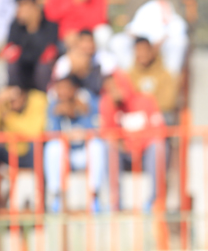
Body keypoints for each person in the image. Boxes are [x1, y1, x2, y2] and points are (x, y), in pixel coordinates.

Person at [100, 69, 165, 209]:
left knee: (158, 147)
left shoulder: (146, 100)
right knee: (107, 147)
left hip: (145, 152)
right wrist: (113, 107)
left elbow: (158, 130)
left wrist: (137, 145)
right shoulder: (107, 104)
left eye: (116, 86)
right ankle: (115, 202)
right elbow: (107, 133)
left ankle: (155, 201)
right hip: (123, 153)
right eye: (109, 88)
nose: (113, 90)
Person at [44, 74, 106, 212]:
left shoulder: (88, 102)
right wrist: (60, 120)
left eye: (65, 88)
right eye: (59, 88)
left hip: (84, 153)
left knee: (97, 146)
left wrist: (80, 114)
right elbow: (50, 133)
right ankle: (57, 197)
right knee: (52, 148)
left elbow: (98, 129)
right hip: (66, 155)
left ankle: (94, 197)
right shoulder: (53, 106)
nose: (62, 92)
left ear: (75, 89)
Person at [2, 0, 59, 93]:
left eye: (23, 6)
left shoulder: (50, 25)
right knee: (12, 64)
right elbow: (11, 50)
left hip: (41, 71)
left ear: (34, 6)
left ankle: (44, 94)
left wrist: (33, 27)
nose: (19, 10)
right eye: (19, 6)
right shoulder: (15, 26)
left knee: (44, 67)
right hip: (22, 69)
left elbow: (48, 52)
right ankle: (15, 93)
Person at [129, 36, 178, 118]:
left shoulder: (165, 74)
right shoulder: (129, 75)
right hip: (136, 116)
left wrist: (150, 110)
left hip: (159, 115)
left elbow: (169, 102)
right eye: (139, 50)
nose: (142, 53)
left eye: (145, 49)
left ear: (151, 51)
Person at [52, 29, 105, 97]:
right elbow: (57, 88)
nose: (88, 45)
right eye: (84, 41)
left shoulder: (100, 57)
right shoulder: (65, 61)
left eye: (90, 41)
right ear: (78, 43)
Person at [43, 0, 108, 45]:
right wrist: (74, 2)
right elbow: (50, 15)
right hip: (68, 33)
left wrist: (85, 3)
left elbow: (100, 20)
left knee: (103, 32)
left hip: (91, 32)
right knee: (72, 38)